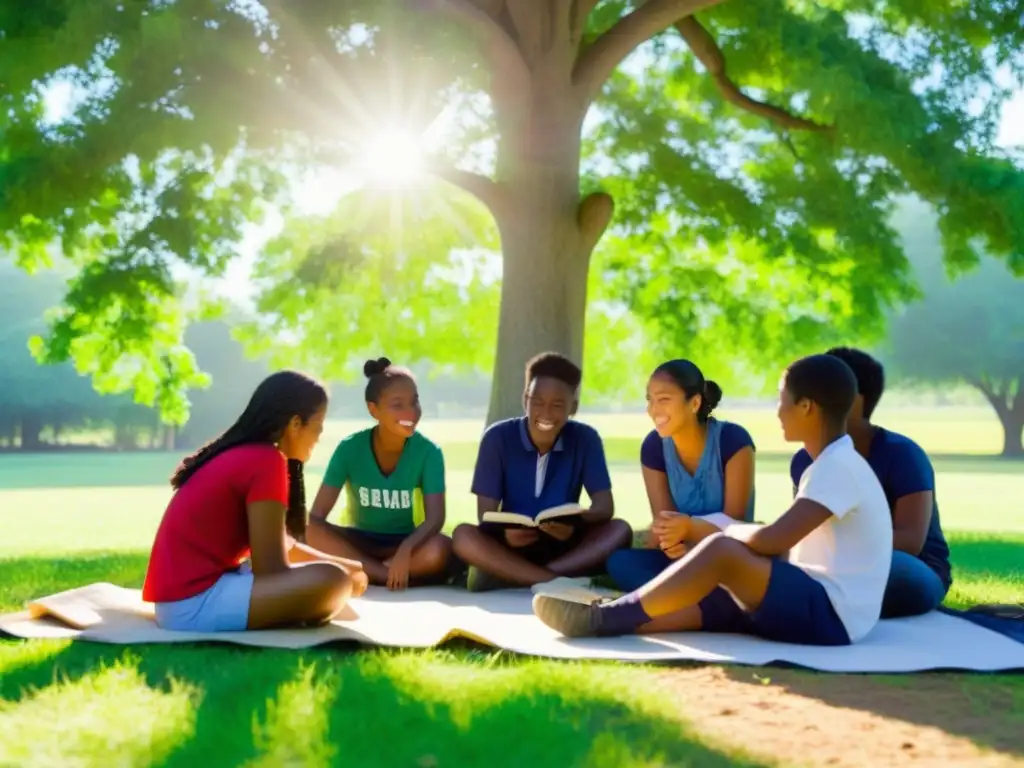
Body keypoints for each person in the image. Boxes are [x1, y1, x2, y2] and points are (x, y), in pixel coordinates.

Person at [532, 354, 893, 646]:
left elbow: (771, 540)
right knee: (720, 594)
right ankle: (610, 622)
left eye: (782, 401)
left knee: (722, 553)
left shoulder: (838, 467)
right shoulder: (830, 463)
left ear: (807, 407)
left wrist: (726, 533)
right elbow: (780, 544)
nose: (778, 411)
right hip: (819, 600)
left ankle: (609, 616)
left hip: (835, 615)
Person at [142, 371, 366, 632]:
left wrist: (344, 565)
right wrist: (337, 575)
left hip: (181, 602)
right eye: (318, 427)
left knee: (335, 579)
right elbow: (270, 567)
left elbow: (279, 545)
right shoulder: (266, 461)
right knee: (333, 581)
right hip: (192, 605)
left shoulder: (250, 455)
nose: (318, 437)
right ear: (295, 424)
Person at [790, 347, 952, 618]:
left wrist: (834, 551)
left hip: (907, 565)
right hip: (833, 564)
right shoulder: (804, 460)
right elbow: (801, 532)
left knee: (887, 572)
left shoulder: (902, 455)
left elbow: (911, 541)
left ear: (854, 401)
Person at [452, 352, 633, 591]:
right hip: (510, 544)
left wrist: (574, 524)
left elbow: (604, 507)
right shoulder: (498, 438)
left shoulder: (586, 439)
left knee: (620, 530)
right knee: (463, 536)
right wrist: (505, 533)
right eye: (537, 402)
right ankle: (552, 581)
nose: (546, 413)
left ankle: (512, 576)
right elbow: (485, 514)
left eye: (558, 405)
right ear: (525, 399)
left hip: (564, 543)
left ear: (573, 408)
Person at [606, 359, 756, 591]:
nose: (654, 410)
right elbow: (664, 521)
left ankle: (680, 596)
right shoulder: (654, 447)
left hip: (729, 555)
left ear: (694, 402)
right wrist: (669, 543)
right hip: (681, 557)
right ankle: (693, 595)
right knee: (620, 563)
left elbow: (736, 524)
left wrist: (689, 528)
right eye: (650, 400)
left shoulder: (733, 441)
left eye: (664, 399)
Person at [306, 358, 452, 590]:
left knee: (441, 548)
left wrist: (406, 550)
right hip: (357, 542)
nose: (411, 412)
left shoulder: (429, 452)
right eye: (398, 405)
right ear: (373, 409)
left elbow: (435, 519)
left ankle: (364, 572)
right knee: (303, 526)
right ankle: (385, 574)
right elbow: (316, 517)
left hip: (404, 543)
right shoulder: (349, 448)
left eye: (414, 402)